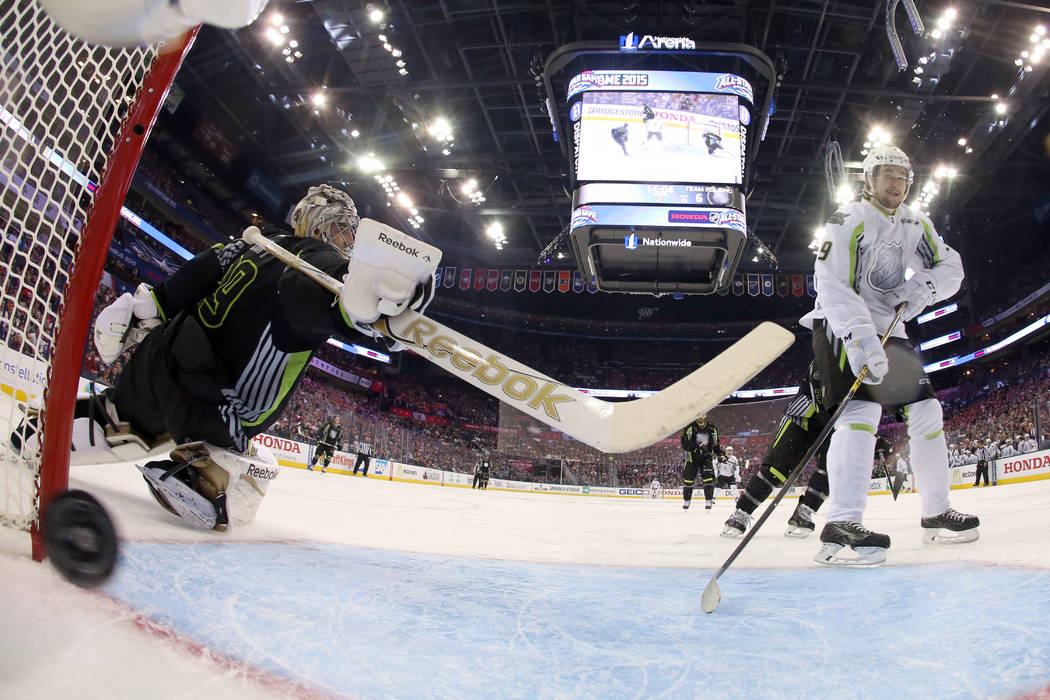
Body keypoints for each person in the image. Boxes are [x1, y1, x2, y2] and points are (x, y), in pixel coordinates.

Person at [67, 184, 436, 531]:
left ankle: (99, 420)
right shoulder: (315, 259)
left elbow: (178, 289)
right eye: (340, 229)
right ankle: (209, 477)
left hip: (156, 360)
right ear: (317, 225)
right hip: (213, 400)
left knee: (121, 411)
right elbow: (328, 294)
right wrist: (374, 312)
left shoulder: (251, 245)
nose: (346, 240)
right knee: (256, 467)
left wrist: (141, 309)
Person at [800, 144, 978, 566]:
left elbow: (950, 265)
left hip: (891, 329)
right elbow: (831, 284)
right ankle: (841, 522)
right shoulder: (848, 220)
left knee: (927, 412)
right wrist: (860, 337)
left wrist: (924, 289)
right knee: (860, 416)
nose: (895, 183)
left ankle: (935, 511)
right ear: (870, 179)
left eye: (902, 177)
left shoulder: (916, 222)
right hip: (843, 326)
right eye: (887, 175)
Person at [722, 362, 831, 539]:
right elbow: (816, 380)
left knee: (832, 468)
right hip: (801, 416)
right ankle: (742, 513)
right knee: (775, 469)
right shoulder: (831, 345)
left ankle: (804, 512)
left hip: (835, 423)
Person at [681, 414, 723, 511]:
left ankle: (708, 500)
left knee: (708, 479)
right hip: (691, 458)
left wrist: (720, 454)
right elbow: (685, 443)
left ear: (706, 415)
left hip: (706, 458)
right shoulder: (690, 427)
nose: (700, 416)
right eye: (699, 414)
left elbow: (716, 444)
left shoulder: (712, 428)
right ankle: (687, 501)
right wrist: (696, 448)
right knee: (688, 480)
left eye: (702, 414)